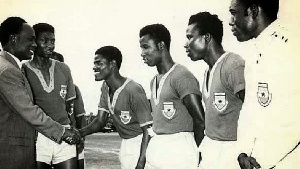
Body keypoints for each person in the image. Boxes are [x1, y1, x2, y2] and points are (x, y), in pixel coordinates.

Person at [0, 17, 80, 169]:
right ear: (14, 39)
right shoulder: (9, 70)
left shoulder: (10, 67)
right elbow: (29, 111)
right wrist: (63, 132)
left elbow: (71, 106)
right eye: (31, 39)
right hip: (19, 148)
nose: (35, 44)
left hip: (53, 136)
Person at [229, 0, 300, 168]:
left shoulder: (291, 47)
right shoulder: (255, 51)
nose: (231, 21)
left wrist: (262, 159)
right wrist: (242, 152)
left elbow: (292, 117)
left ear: (253, 11)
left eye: (234, 13)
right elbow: (251, 109)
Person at [139, 24, 205, 169]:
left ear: (161, 45)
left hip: (179, 150)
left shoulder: (182, 75)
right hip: (157, 146)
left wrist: (201, 156)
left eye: (146, 47)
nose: (142, 53)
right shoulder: (154, 81)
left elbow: (200, 120)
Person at [184, 12, 245, 169]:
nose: (186, 44)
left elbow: (255, 111)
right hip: (211, 149)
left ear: (207, 37)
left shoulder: (233, 65)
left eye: (190, 37)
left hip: (232, 152)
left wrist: (244, 151)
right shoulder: (208, 71)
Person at [79, 46, 153, 169]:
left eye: (99, 63)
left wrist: (141, 163)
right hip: (126, 144)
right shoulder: (105, 87)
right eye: (94, 63)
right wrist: (80, 133)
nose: (94, 67)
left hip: (142, 144)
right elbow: (100, 121)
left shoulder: (133, 90)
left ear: (112, 64)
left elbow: (148, 130)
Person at [21, 23, 78, 169]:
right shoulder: (24, 70)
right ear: (34, 42)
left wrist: (75, 132)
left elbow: (70, 106)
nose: (50, 45)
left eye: (52, 41)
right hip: (39, 136)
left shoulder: (63, 68)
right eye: (44, 41)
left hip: (65, 133)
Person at [49, 50, 86, 169]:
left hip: (70, 138)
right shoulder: (40, 88)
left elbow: (80, 117)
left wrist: (82, 138)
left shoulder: (73, 88)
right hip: (48, 137)